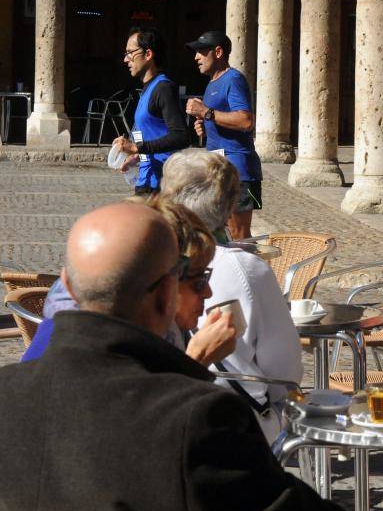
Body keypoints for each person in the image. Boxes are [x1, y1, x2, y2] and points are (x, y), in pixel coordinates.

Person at [0, 202, 347, 511]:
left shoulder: (8, 391)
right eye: (199, 280)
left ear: (66, 286)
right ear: (167, 294)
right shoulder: (199, 419)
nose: (208, 293)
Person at [160, 148, 302, 442]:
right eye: (199, 281)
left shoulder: (150, 251)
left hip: (169, 418)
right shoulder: (243, 267)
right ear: (228, 207)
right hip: (231, 421)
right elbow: (285, 375)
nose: (208, 290)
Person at [21, 198, 237, 366]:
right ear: (165, 286)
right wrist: (195, 361)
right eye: (199, 280)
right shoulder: (87, 351)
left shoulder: (137, 333)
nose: (208, 292)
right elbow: (141, 417)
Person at [185, 31, 260, 240]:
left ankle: (252, 272)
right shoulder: (212, 83)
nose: (196, 57)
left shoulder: (233, 79)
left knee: (239, 236)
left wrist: (206, 113)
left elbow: (246, 121)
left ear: (217, 52)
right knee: (222, 234)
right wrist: (205, 125)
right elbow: (219, 119)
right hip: (219, 168)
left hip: (239, 171)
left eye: (201, 52)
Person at [114, 26, 189, 195]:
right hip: (146, 182)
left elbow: (181, 136)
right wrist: (134, 157)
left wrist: (137, 147)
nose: (126, 59)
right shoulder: (148, 88)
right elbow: (152, 133)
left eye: (130, 53)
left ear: (148, 54)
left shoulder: (163, 88)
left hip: (161, 186)